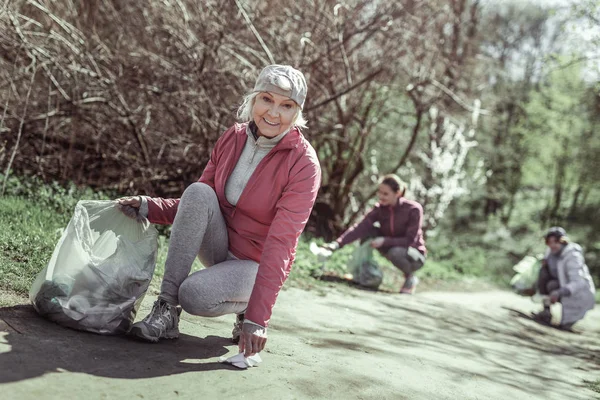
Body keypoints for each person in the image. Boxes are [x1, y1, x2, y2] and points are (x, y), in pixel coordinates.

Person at [116, 65, 321, 357]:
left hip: (254, 264)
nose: (274, 113)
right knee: (199, 191)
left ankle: (246, 305)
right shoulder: (233, 137)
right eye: (266, 99)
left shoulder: (304, 164)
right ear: (253, 99)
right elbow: (197, 204)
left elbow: (281, 243)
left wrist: (257, 319)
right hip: (219, 244)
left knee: (195, 295)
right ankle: (165, 310)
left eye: (286, 106)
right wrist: (150, 206)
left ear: (297, 112)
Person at [323, 175, 426, 294]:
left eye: (385, 194)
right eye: (380, 192)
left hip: (414, 255)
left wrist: (384, 241)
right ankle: (362, 272)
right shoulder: (380, 209)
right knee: (369, 231)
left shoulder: (413, 209)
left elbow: (410, 240)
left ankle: (410, 277)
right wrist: (337, 244)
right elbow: (360, 228)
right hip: (390, 246)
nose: (381, 197)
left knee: (395, 252)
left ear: (397, 193)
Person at [533, 227, 596, 330]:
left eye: (555, 242)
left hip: (576, 292)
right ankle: (546, 311)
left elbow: (578, 282)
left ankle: (568, 322)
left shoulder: (573, 256)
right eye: (549, 242)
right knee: (544, 275)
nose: (552, 245)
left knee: (565, 325)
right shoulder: (550, 251)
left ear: (562, 241)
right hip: (557, 285)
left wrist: (559, 292)